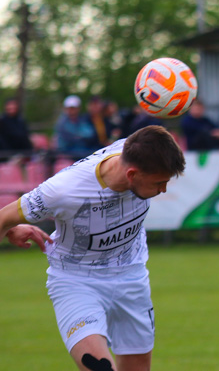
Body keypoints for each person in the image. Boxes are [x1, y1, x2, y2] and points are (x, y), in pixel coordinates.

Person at [0, 125, 186, 371]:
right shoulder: (63, 190)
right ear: (131, 174)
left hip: (132, 277)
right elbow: (3, 217)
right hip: (76, 282)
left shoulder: (135, 150)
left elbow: (149, 138)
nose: (162, 190)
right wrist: (10, 228)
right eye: (159, 183)